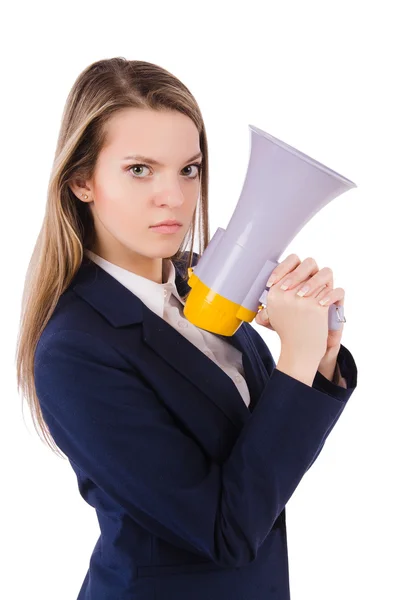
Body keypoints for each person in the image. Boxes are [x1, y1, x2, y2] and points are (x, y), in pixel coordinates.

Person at [16, 57, 358, 600]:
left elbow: (264, 470)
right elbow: (227, 530)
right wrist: (291, 361)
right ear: (82, 180)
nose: (173, 197)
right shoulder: (74, 350)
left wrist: (315, 356)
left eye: (188, 169)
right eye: (138, 169)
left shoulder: (201, 280)